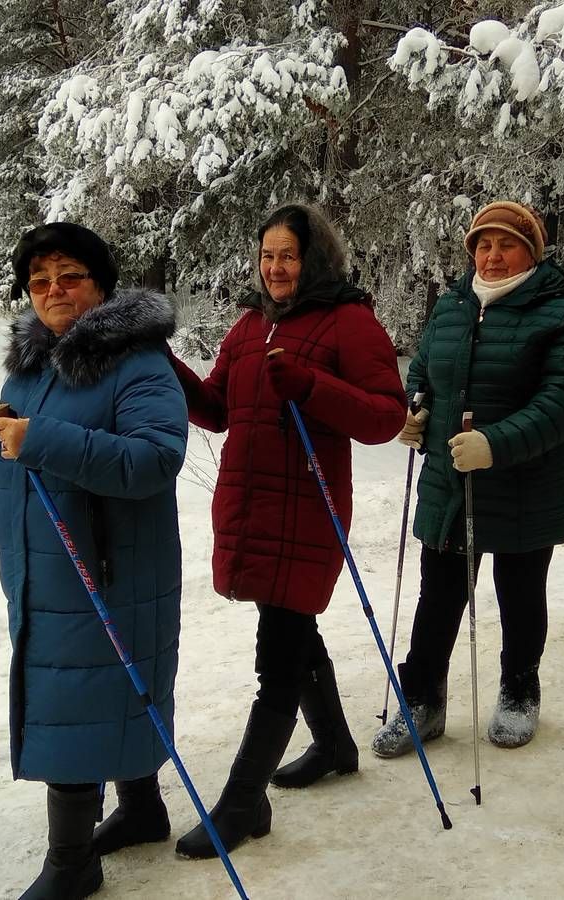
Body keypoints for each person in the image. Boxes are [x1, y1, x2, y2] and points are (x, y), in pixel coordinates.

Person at [0, 223, 186, 900]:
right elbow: (8, 466)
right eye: (40, 281)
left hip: (109, 569)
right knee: (97, 695)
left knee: (82, 700)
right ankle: (142, 807)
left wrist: (40, 436)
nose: (53, 291)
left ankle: (73, 865)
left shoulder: (139, 362)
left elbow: (154, 460)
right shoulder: (32, 366)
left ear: (100, 285)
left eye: (69, 276)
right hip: (45, 571)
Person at [167, 204, 406, 858]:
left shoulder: (349, 322)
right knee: (291, 630)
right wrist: (166, 366)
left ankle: (243, 805)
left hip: (309, 509)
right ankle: (333, 745)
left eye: (288, 256)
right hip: (251, 507)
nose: (275, 268)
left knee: (277, 657)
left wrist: (311, 385)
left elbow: (386, 416)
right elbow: (217, 409)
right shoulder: (249, 327)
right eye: (267, 255)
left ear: (315, 258)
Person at [373, 200, 564, 758]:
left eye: (506, 244)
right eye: (483, 244)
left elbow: (562, 402)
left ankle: (520, 690)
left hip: (528, 485)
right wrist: (417, 408)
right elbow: (424, 369)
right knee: (439, 594)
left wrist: (495, 445)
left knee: (520, 594)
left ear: (532, 252)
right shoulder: (452, 307)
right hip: (451, 481)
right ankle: (422, 701)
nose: (492, 256)